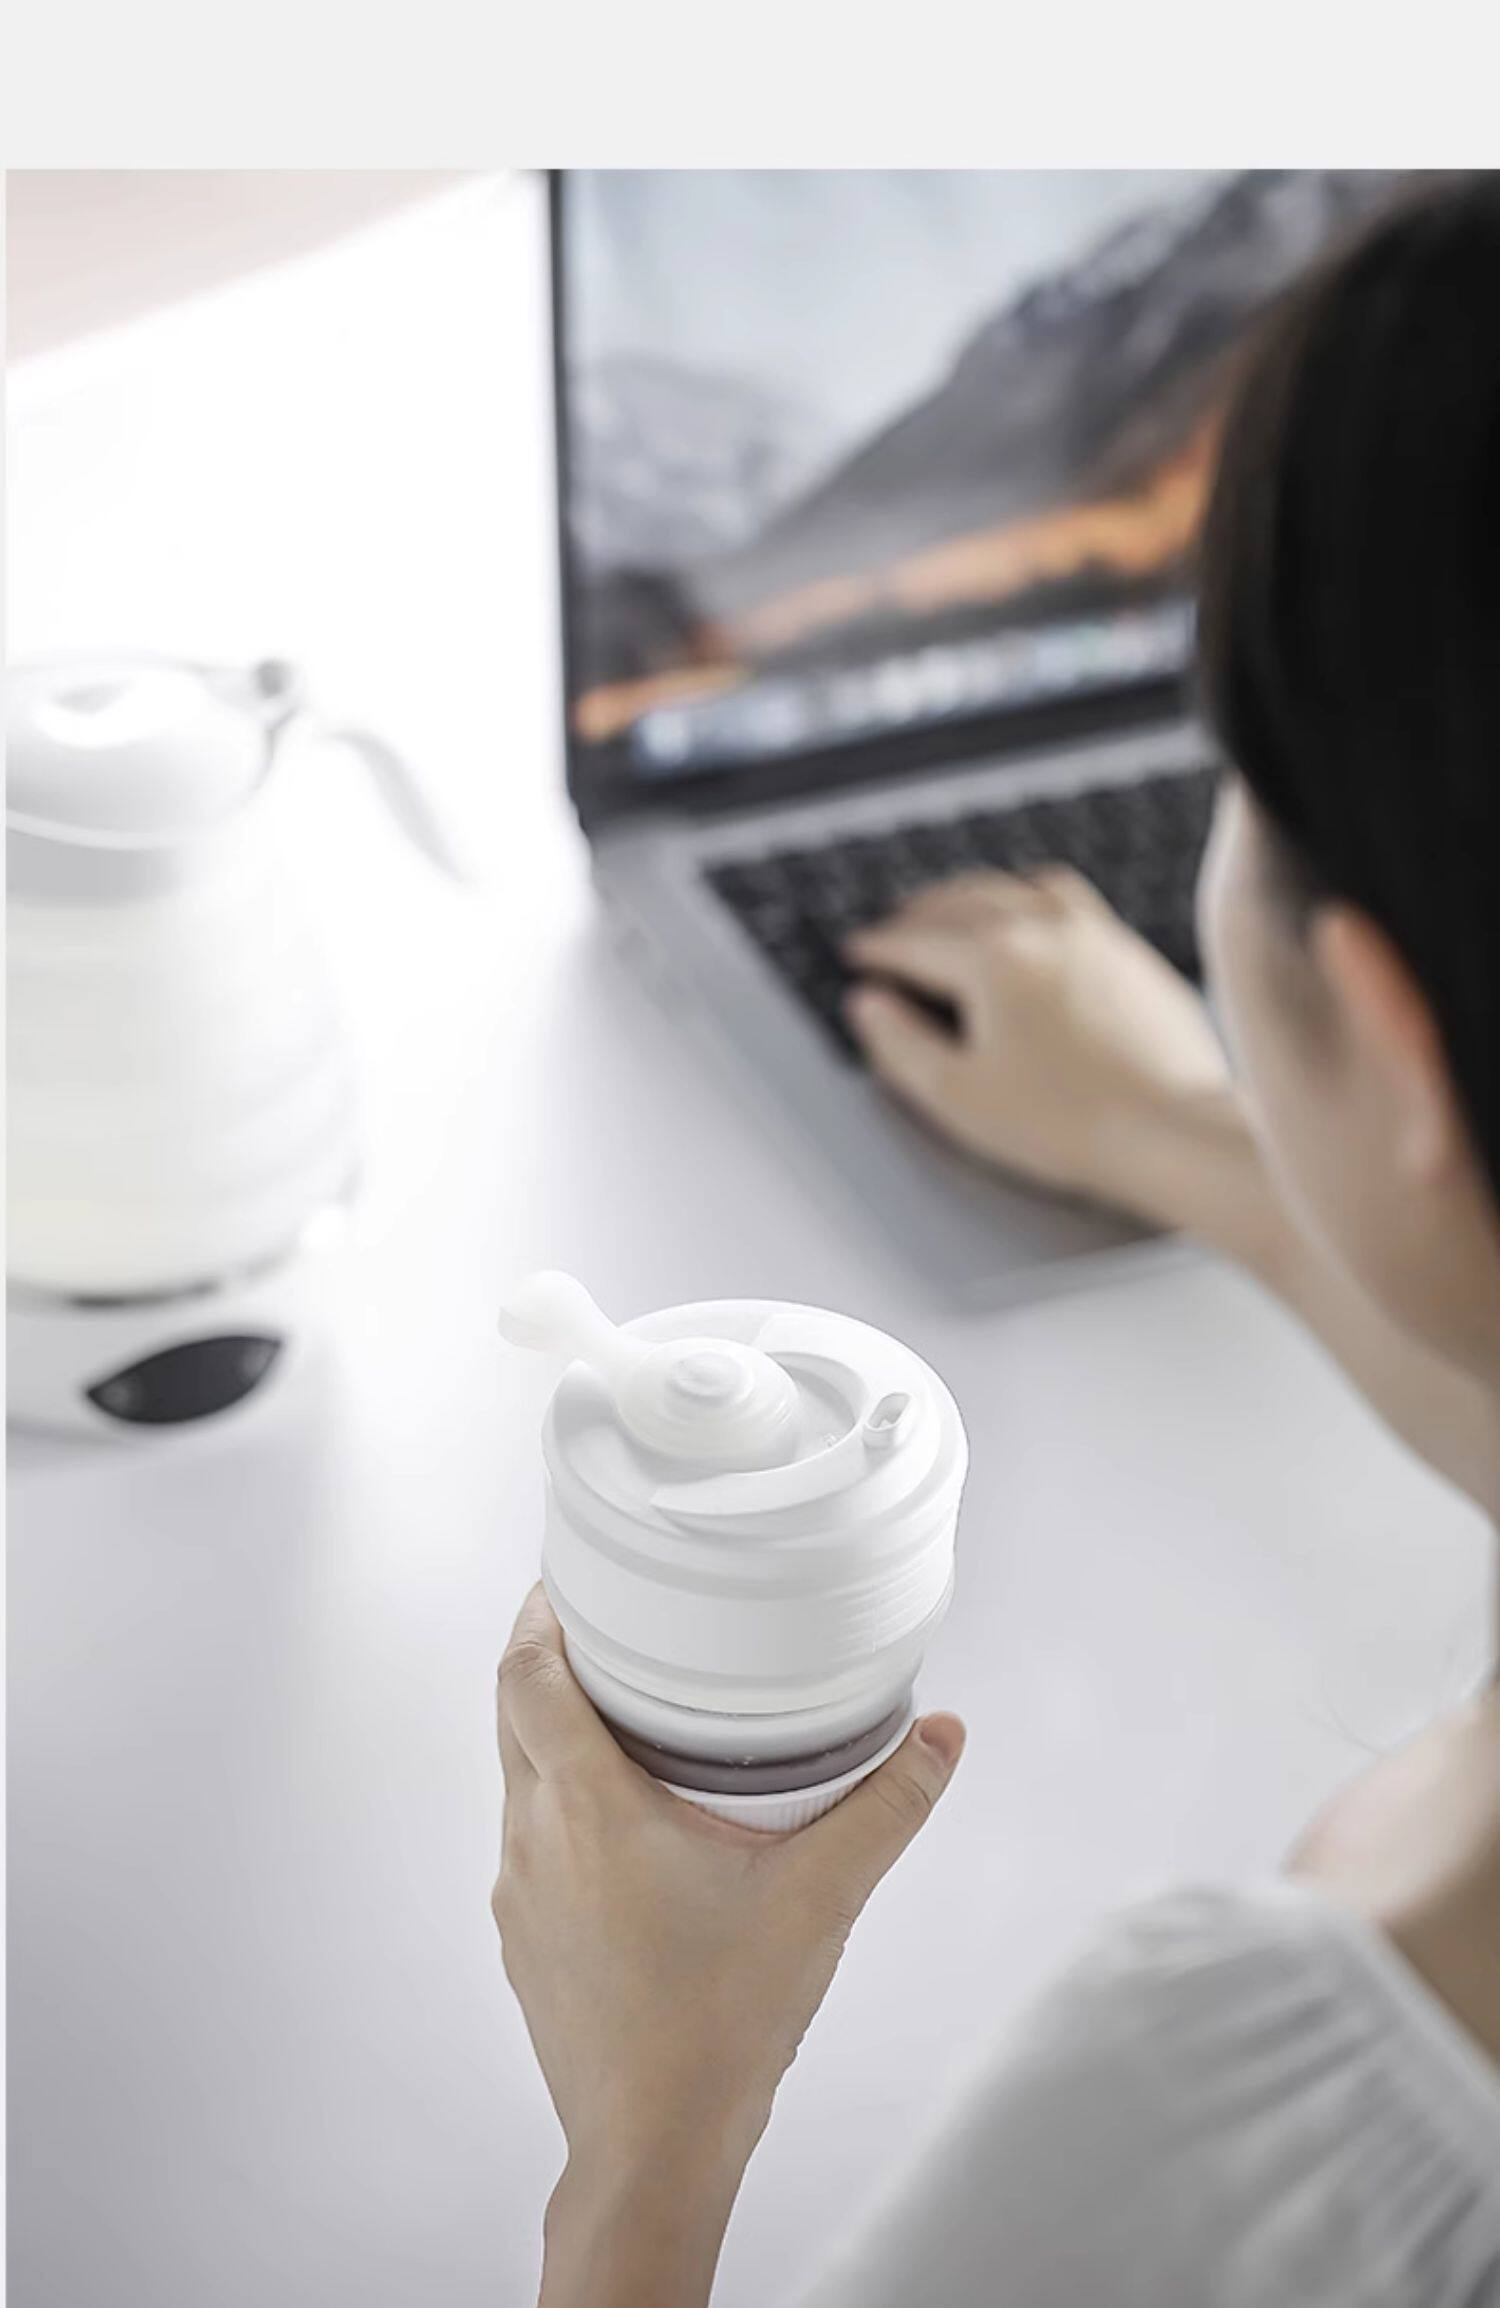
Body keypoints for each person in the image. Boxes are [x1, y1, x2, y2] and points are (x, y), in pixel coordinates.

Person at [492, 175, 1500, 2307]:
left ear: (1397, 1039)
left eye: (1234, 784)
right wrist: (1171, 1122)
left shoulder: (1240, 2140)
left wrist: (650, 2137)